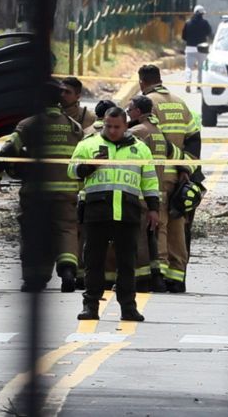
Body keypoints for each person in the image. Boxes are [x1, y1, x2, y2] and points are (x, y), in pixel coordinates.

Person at [0, 80, 84, 292]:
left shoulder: (29, 124)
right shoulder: (73, 127)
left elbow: (8, 150)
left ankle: (34, 278)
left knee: (33, 232)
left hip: (36, 192)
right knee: (66, 229)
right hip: (66, 190)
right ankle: (68, 269)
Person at [69, 107, 160, 322]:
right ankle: (90, 306)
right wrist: (89, 166)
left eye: (116, 127)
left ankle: (128, 308)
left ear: (125, 126)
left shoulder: (140, 149)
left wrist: (153, 209)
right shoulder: (88, 144)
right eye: (108, 126)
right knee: (94, 262)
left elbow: (149, 181)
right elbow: (71, 171)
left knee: (127, 264)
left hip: (127, 212)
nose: (111, 130)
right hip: (96, 212)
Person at [139, 65, 201, 293]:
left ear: (141, 82)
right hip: (180, 177)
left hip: (158, 174)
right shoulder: (179, 102)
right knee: (178, 225)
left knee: (160, 224)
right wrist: (186, 166)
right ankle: (178, 276)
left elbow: (148, 138)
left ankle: (161, 275)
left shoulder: (146, 104)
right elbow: (194, 139)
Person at [126, 95, 187, 293]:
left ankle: (153, 277)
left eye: (130, 108)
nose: (127, 111)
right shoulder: (159, 133)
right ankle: (171, 277)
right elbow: (176, 153)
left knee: (148, 234)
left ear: (137, 111)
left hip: (143, 192)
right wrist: (186, 168)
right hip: (162, 188)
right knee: (163, 231)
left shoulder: (137, 132)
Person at [182, 5, 213, 93]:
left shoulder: (188, 23)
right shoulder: (205, 23)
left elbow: (183, 36)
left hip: (190, 48)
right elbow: (209, 33)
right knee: (201, 68)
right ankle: (199, 86)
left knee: (188, 67)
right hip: (202, 48)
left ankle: (188, 83)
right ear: (202, 13)